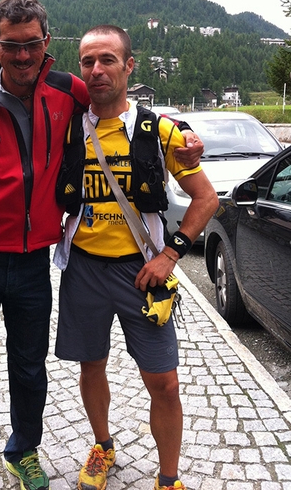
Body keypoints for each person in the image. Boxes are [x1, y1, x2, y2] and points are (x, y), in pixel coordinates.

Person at [0, 0, 203, 490]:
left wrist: (183, 130)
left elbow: (124, 107)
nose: (23, 55)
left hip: (34, 263)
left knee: (30, 370)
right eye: (12, 45)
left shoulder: (64, 90)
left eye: (31, 45)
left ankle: (23, 452)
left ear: (46, 42)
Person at [53, 25, 219, 490]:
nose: (97, 70)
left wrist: (171, 254)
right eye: (88, 62)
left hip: (141, 271)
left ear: (130, 66)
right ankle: (103, 447)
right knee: (92, 365)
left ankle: (168, 480)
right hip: (83, 267)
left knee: (164, 382)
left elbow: (206, 200)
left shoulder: (159, 130)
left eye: (107, 60)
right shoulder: (69, 126)